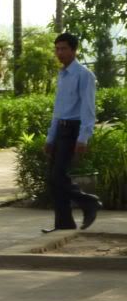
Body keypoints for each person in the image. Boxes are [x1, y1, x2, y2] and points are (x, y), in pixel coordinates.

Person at [44, 32, 100, 233]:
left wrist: (83, 138)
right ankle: (64, 224)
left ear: (74, 50)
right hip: (60, 129)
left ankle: (89, 202)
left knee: (59, 175)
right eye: (57, 49)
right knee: (53, 178)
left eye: (64, 48)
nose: (60, 53)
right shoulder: (62, 75)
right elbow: (58, 109)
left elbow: (88, 109)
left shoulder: (84, 75)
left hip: (74, 130)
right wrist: (50, 137)